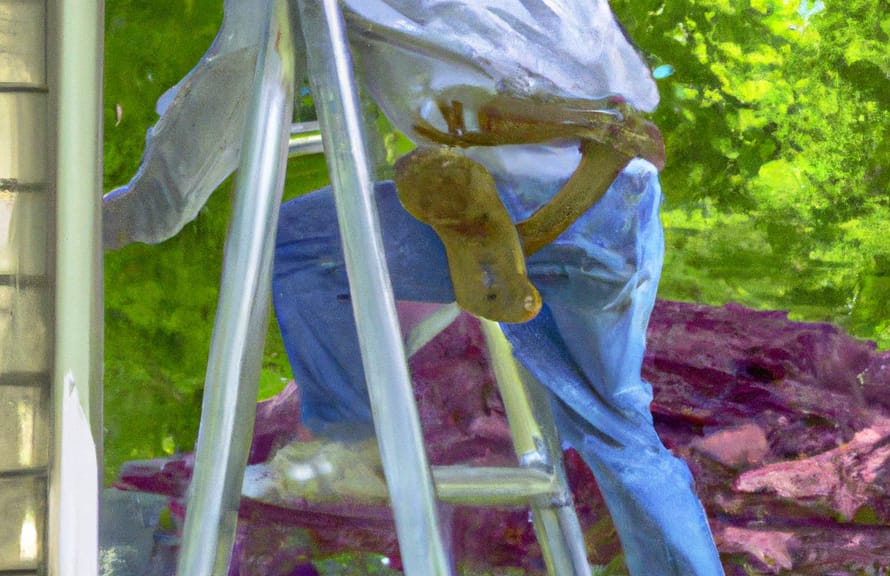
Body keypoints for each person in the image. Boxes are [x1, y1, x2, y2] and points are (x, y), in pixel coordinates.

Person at [104, 1, 724, 573]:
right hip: (617, 197)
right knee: (620, 429)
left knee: (293, 244)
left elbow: (239, 71)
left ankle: (348, 439)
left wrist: (144, 209)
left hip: (511, 206)